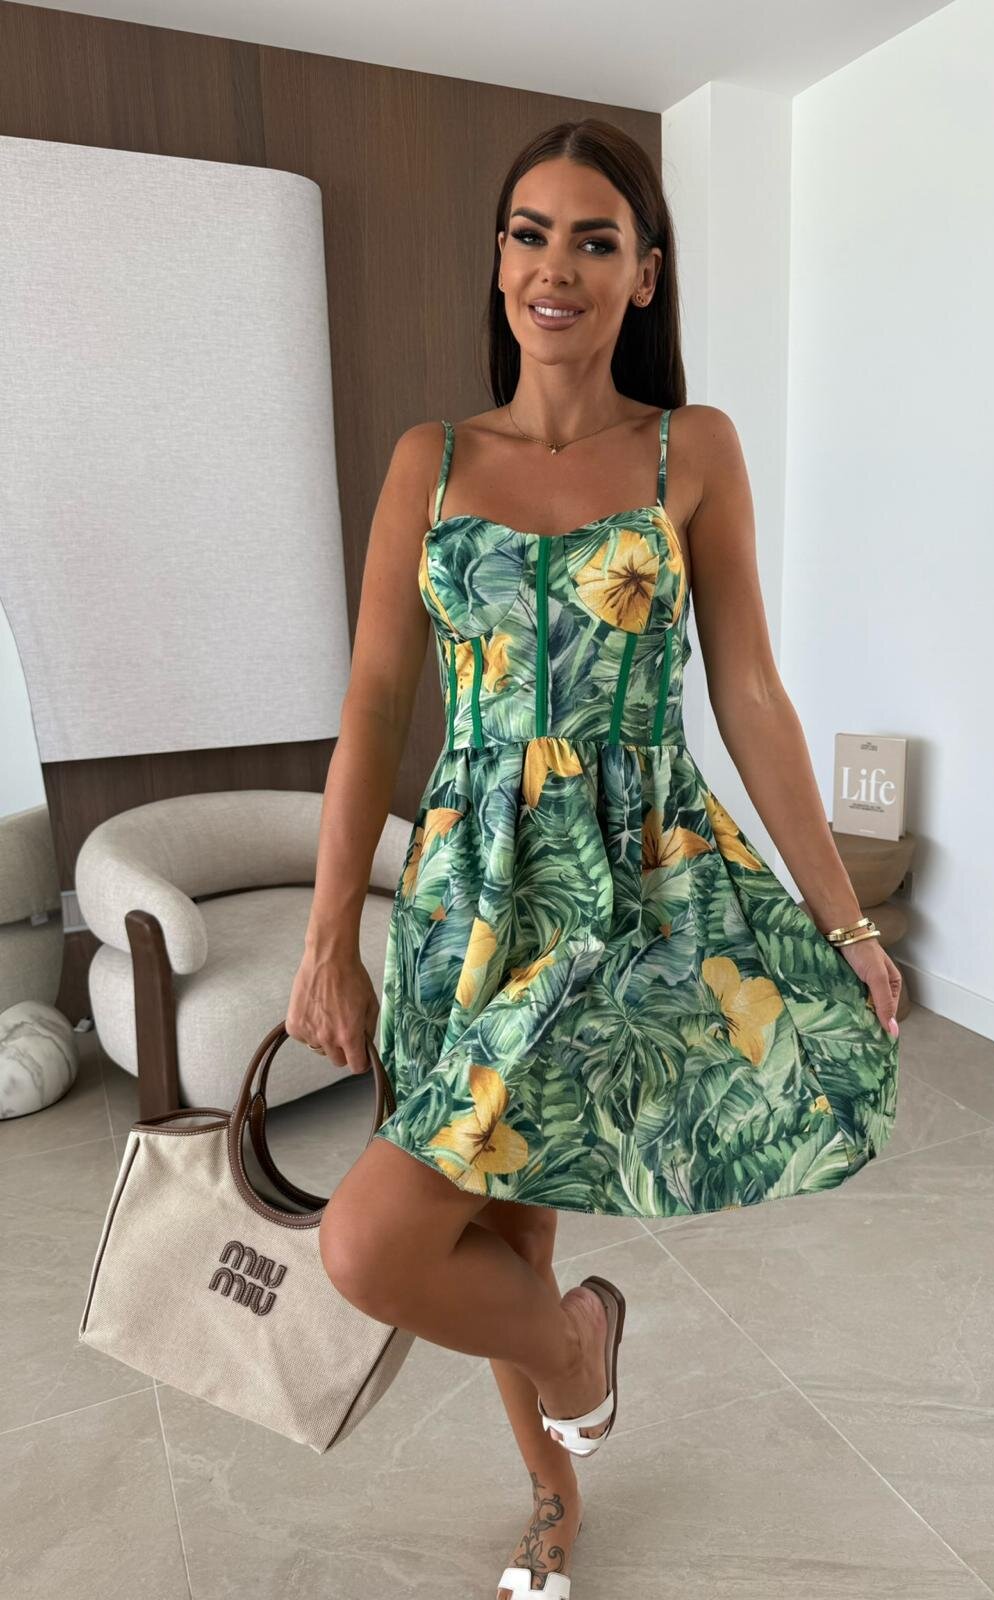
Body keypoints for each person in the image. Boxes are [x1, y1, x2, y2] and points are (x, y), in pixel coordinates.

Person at [287, 117, 902, 1600]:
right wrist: (327, 937)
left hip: (630, 886)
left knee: (389, 1237)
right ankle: (558, 1462)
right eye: (529, 233)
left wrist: (847, 921)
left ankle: (570, 1373)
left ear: (645, 273)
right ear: (498, 258)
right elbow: (374, 705)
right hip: (467, 895)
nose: (553, 267)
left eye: (594, 240)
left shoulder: (694, 449)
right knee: (478, 1230)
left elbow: (749, 695)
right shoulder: (431, 461)